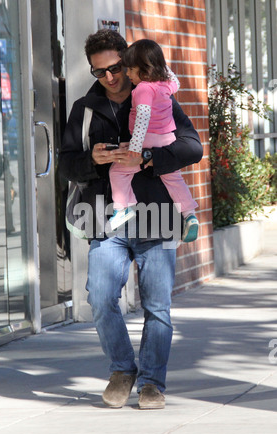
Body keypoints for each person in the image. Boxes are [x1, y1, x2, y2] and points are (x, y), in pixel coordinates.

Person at [59, 29, 203, 410]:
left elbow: (192, 146)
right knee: (101, 296)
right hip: (106, 219)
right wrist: (94, 160)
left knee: (158, 305)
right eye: (99, 71)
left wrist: (151, 160)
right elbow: (65, 164)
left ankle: (153, 382)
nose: (110, 77)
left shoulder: (158, 94)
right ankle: (123, 369)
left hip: (157, 220)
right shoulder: (84, 110)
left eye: (116, 67)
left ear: (129, 60)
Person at [109, 39, 199, 243]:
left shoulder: (143, 89)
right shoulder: (166, 84)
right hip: (167, 139)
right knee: (174, 180)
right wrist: (159, 64)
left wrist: (134, 147)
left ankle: (122, 208)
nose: (127, 74)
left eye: (130, 69)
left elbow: (143, 117)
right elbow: (177, 80)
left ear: (143, 69)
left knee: (118, 171)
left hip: (147, 140)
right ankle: (189, 215)